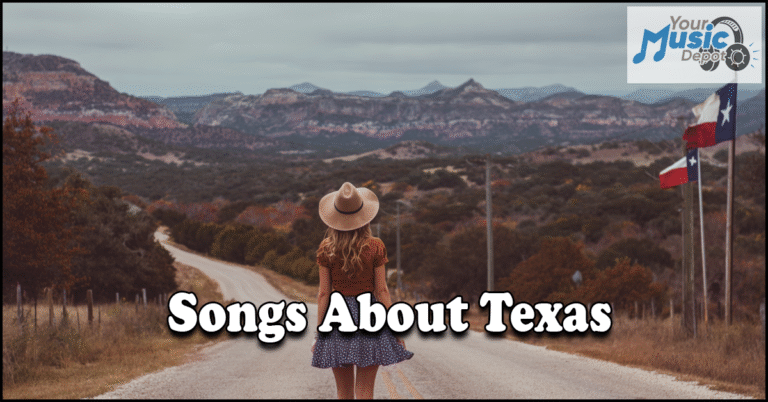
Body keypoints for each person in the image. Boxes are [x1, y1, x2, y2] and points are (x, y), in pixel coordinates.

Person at [311, 182, 414, 399]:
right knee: (365, 391)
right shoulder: (375, 246)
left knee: (343, 392)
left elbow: (323, 294)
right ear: (364, 217)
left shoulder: (326, 249)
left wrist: (320, 334)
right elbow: (382, 291)